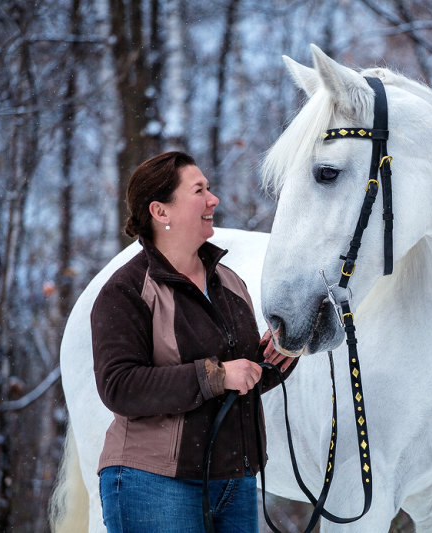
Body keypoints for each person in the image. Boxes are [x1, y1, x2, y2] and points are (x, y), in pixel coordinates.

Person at [91, 151, 296, 533]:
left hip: (234, 483)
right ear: (160, 211)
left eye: (210, 188)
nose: (213, 199)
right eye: (199, 190)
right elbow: (119, 387)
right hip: (152, 483)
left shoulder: (229, 283)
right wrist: (217, 375)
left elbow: (242, 381)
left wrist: (278, 355)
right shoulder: (126, 290)